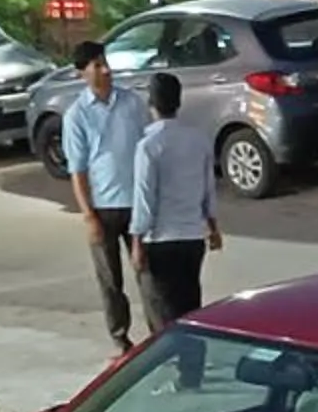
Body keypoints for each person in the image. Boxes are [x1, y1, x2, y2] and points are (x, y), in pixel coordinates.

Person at [58, 38, 149, 354]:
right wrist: (88, 215)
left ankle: (158, 335)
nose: (105, 70)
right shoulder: (77, 116)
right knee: (111, 281)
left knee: (148, 274)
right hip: (104, 207)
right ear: (82, 72)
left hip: (137, 202)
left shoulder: (132, 103)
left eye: (105, 63)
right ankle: (120, 338)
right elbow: (78, 170)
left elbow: (148, 149)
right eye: (97, 65)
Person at [130, 70, 219, 342]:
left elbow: (145, 198)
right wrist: (212, 225)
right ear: (178, 102)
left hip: (162, 239)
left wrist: (136, 240)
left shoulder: (148, 146)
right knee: (191, 304)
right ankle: (193, 367)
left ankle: (176, 368)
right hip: (193, 236)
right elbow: (208, 187)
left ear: (151, 104)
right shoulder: (199, 140)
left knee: (166, 312)